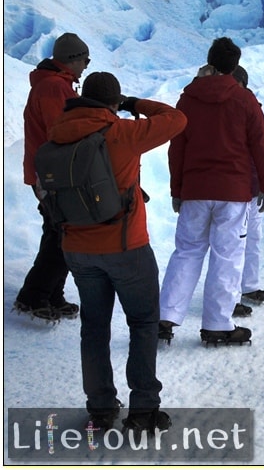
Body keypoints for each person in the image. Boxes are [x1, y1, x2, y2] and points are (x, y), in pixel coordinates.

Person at [53, 70, 187, 434]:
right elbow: (176, 119)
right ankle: (143, 409)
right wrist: (133, 105)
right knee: (143, 322)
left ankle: (100, 407)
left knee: (94, 328)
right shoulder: (122, 132)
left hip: (77, 248)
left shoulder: (59, 133)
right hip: (126, 247)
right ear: (113, 103)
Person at [161, 38, 264, 347]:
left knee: (187, 251)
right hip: (233, 192)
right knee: (227, 256)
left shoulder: (188, 98)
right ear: (235, 66)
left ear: (209, 61)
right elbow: (262, 145)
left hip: (196, 190)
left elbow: (177, 147)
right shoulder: (244, 100)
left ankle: (166, 317)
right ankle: (216, 325)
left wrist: (177, 189)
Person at [17, 33, 91, 322]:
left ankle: (48, 293)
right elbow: (61, 131)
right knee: (62, 236)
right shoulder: (53, 88)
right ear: (73, 59)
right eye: (85, 60)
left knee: (57, 233)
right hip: (53, 176)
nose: (85, 66)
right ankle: (34, 296)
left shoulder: (54, 85)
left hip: (50, 174)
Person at [232, 66, 264, 313]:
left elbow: (262, 148)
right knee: (232, 243)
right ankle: (228, 295)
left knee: (253, 237)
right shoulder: (232, 106)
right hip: (235, 188)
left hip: (250, 186)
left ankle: (248, 285)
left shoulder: (251, 106)